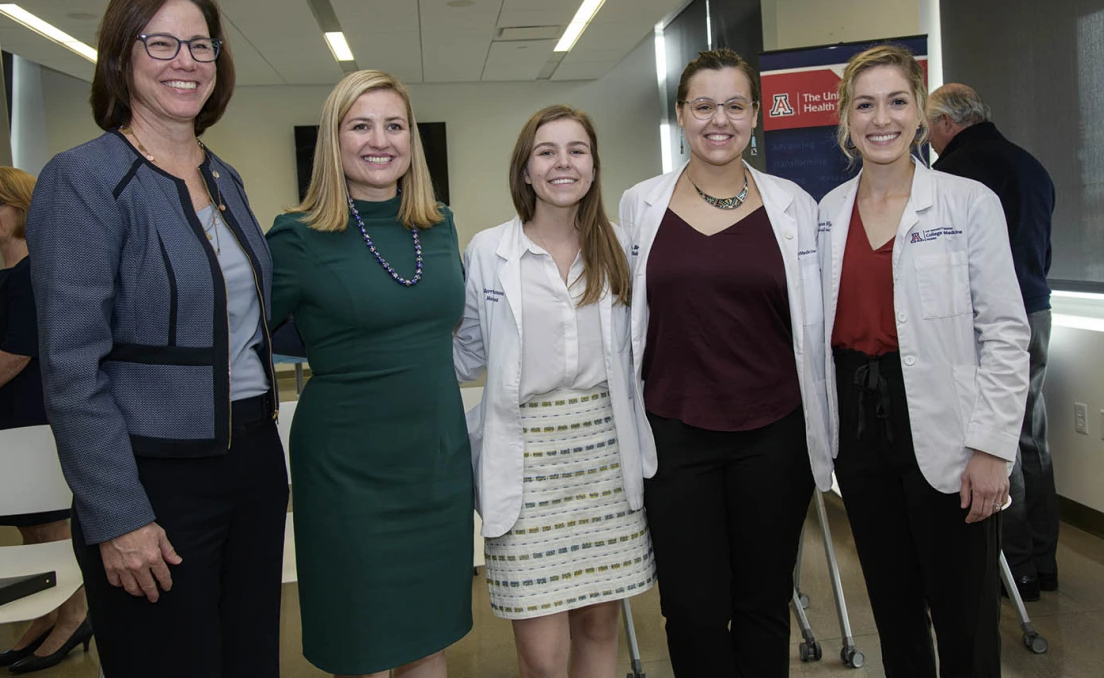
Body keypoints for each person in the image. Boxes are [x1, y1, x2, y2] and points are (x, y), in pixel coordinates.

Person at [27, 0, 287, 678]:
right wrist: (115, 513)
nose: (186, 61)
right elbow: (72, 369)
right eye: (162, 43)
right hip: (154, 482)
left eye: (200, 45)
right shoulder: (83, 179)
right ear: (121, 57)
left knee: (250, 662)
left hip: (254, 463)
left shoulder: (224, 176)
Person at [619, 48, 833, 677]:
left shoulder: (794, 205)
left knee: (763, 603)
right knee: (690, 609)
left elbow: (814, 324)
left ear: (756, 115)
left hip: (774, 434)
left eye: (735, 105)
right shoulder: (641, 205)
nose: (720, 120)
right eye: (704, 105)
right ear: (681, 115)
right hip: (674, 433)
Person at [818, 45, 1030, 677]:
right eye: (865, 105)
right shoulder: (825, 215)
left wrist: (992, 449)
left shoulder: (968, 204)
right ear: (846, 120)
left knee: (964, 616)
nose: (881, 118)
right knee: (894, 609)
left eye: (897, 102)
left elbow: (1006, 332)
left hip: (949, 427)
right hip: (859, 429)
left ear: (919, 115)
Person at [266, 69, 472, 678]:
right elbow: (236, 335)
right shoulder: (296, 237)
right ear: (335, 139)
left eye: (394, 125)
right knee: (363, 647)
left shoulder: (438, 222)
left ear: (412, 139)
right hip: (347, 476)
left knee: (427, 638)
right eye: (360, 125)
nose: (379, 140)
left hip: (435, 464)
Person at [454, 105, 656, 677]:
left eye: (576, 150)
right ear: (525, 170)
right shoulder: (488, 252)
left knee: (599, 631)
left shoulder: (621, 247)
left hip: (604, 460)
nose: (562, 163)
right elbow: (467, 355)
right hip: (527, 467)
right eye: (546, 151)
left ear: (593, 167)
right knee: (541, 657)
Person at [926, 83, 1057, 601]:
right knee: (1031, 438)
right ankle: (1044, 562)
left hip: (990, 323)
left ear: (943, 124)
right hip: (1038, 312)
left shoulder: (951, 178)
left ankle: (1018, 568)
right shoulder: (1031, 165)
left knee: (994, 439)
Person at [0, 166, 90, 674]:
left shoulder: (34, 271)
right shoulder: (9, 272)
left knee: (49, 529)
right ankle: (48, 617)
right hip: (8, 424)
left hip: (31, 421)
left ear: (23, 208)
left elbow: (19, 351)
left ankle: (74, 615)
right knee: (31, 532)